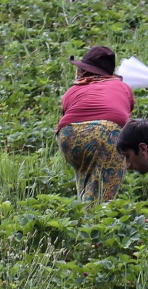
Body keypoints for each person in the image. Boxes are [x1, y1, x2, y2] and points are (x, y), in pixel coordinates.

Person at [56, 46, 136, 202]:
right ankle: (95, 221)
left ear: (85, 71)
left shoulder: (73, 89)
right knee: (104, 192)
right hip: (106, 133)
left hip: (68, 136)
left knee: (86, 176)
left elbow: (65, 109)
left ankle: (82, 217)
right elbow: (126, 113)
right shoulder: (122, 87)